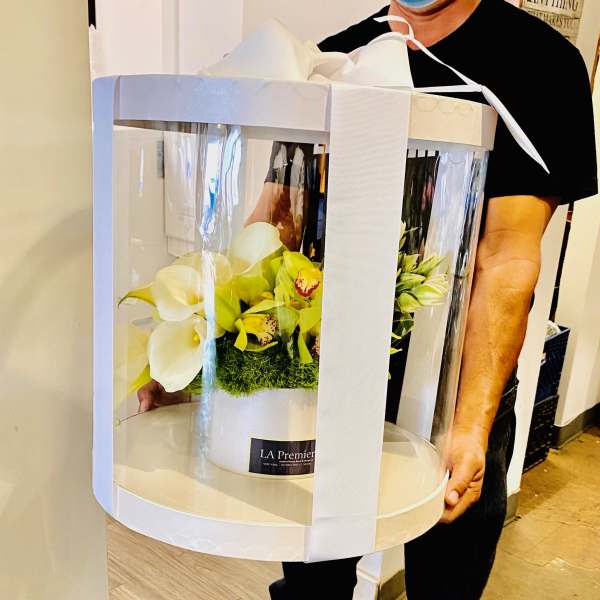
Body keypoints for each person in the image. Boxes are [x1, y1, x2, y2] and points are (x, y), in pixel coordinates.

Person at [137, 1, 596, 598]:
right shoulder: (336, 57)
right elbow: (276, 222)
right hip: (324, 373)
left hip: (455, 381)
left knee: (448, 568)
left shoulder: (539, 63)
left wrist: (469, 425)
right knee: (313, 572)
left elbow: (506, 254)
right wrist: (199, 361)